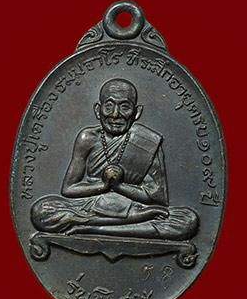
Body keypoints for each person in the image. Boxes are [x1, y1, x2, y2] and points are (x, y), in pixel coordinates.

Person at [30, 78, 198, 240]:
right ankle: (127, 224)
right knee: (41, 212)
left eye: (125, 107)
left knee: (188, 221)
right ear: (98, 110)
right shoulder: (87, 138)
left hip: (132, 205)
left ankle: (93, 228)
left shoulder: (147, 142)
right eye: (109, 106)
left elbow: (156, 198)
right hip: (92, 204)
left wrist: (119, 186)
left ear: (137, 112)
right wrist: (104, 185)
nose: (116, 114)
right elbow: (69, 189)